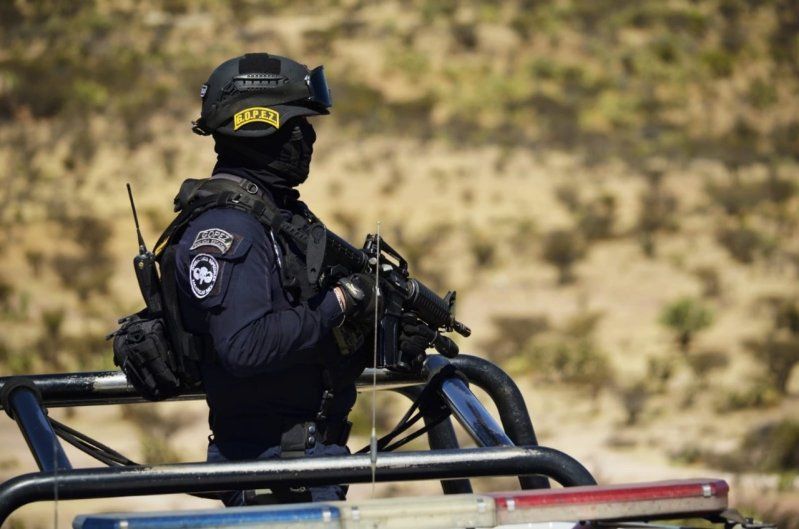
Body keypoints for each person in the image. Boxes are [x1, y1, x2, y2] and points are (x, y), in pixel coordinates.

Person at [169, 52, 433, 506]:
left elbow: (300, 323)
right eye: (297, 125)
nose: (308, 138)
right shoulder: (230, 229)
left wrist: (382, 332)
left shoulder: (277, 217)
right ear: (257, 127)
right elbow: (245, 345)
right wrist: (342, 301)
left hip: (305, 461)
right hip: (273, 471)